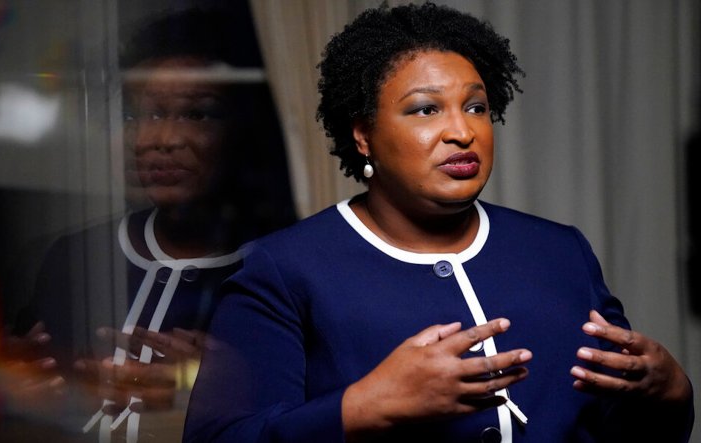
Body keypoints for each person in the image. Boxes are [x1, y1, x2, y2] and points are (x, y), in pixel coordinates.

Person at [182, 3, 694, 442]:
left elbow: (621, 429)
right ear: (363, 135)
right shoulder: (283, 269)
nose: (461, 131)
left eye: (476, 107)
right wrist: (366, 406)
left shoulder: (560, 252)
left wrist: (671, 393)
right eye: (426, 110)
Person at [1, 6, 296, 442]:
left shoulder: (285, 272)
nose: (158, 141)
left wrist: (225, 385)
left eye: (197, 114)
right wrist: (15, 385)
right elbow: (25, 382)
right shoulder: (71, 256)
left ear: (245, 129)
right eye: (136, 115)